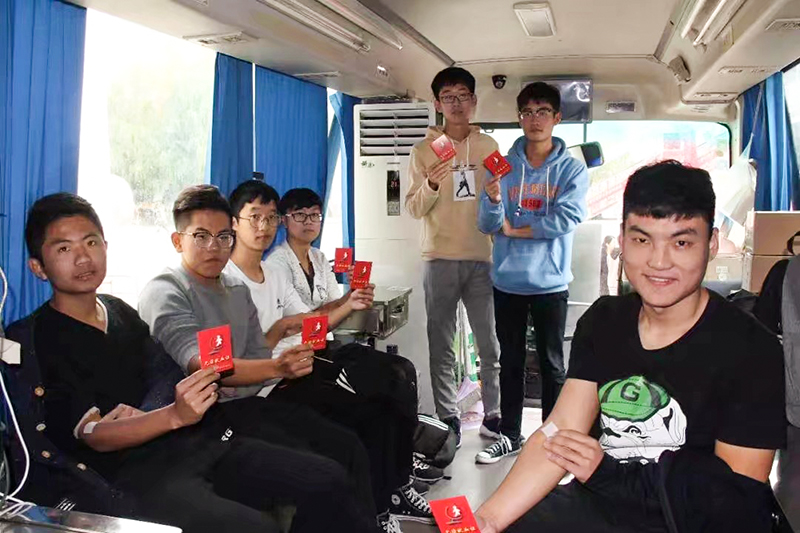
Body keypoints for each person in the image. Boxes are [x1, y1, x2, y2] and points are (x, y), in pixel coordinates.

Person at [5, 193, 378, 533]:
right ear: (38, 267)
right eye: (64, 248)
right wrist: (170, 415)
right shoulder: (35, 338)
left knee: (326, 477)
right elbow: (92, 434)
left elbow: (165, 372)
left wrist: (152, 412)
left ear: (105, 246)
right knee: (256, 527)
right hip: (132, 473)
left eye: (90, 243)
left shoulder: (119, 312)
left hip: (194, 442)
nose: (83, 258)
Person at [474, 161, 786, 533]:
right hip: (600, 505)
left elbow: (733, 501)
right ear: (622, 240)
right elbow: (559, 432)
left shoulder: (753, 350)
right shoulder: (605, 321)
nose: (658, 262)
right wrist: (487, 521)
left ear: (712, 244)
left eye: (681, 242)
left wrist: (608, 474)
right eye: (642, 240)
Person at [137, 185, 382, 532]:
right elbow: (204, 364)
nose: (214, 247)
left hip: (250, 404)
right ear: (178, 241)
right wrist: (276, 366)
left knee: (347, 446)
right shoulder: (167, 290)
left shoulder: (236, 290)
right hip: (201, 426)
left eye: (222, 237)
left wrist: (277, 353)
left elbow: (256, 354)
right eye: (201, 236)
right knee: (323, 474)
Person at [225, 180, 433, 530]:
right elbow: (248, 351)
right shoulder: (232, 281)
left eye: (269, 218)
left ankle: (393, 490)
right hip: (276, 382)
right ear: (234, 223)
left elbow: (309, 321)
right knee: (371, 407)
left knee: (393, 388)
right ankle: (381, 503)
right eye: (254, 217)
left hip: (304, 359)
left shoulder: (277, 272)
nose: (263, 226)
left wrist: (349, 300)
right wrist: (292, 331)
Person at [476, 81, 589, 464]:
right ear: (519, 118)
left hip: (550, 283)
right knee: (510, 361)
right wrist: (494, 199)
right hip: (507, 281)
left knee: (553, 363)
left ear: (557, 118)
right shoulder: (501, 166)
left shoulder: (571, 169)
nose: (534, 119)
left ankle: (549, 439)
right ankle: (510, 435)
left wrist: (516, 230)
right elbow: (486, 223)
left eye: (542, 112)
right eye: (527, 112)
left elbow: (566, 219)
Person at [404, 66, 503, 446]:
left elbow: (501, 201)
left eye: (463, 96)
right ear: (437, 103)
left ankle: (494, 414)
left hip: (481, 257)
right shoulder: (422, 151)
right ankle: (448, 415)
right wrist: (431, 181)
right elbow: (413, 208)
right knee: (441, 343)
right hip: (439, 257)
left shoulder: (489, 147)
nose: (457, 104)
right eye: (449, 97)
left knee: (489, 344)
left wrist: (497, 195)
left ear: (474, 101)